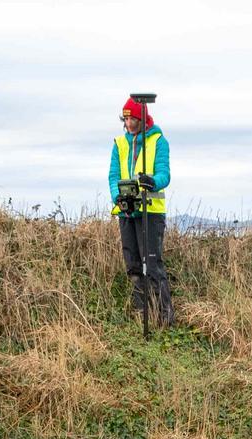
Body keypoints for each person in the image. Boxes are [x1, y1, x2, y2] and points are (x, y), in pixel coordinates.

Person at [108, 95, 172, 327]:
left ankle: (164, 318)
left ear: (141, 117)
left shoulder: (158, 141)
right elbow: (114, 176)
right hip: (127, 212)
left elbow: (165, 174)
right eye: (124, 119)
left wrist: (151, 181)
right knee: (134, 266)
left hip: (151, 213)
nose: (127, 123)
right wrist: (119, 196)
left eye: (131, 118)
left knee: (153, 265)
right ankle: (141, 313)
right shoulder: (120, 143)